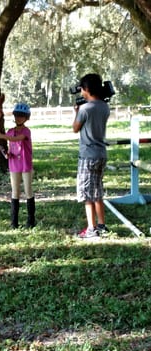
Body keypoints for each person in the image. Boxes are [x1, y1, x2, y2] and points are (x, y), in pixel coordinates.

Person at [72, 73, 110, 239]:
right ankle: (101, 225)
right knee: (97, 192)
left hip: (87, 156)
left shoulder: (85, 109)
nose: (80, 91)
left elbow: (75, 128)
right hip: (101, 154)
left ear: (86, 89)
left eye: (82, 88)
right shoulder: (104, 106)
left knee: (87, 194)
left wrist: (77, 112)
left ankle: (91, 229)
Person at [0, 103, 35, 229]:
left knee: (28, 190)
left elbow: (18, 139)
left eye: (22, 116)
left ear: (26, 118)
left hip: (26, 165)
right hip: (14, 164)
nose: (19, 118)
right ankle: (14, 222)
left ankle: (31, 221)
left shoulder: (26, 131)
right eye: (17, 115)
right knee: (15, 192)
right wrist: (7, 153)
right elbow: (11, 145)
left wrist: (1, 136)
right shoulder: (10, 131)